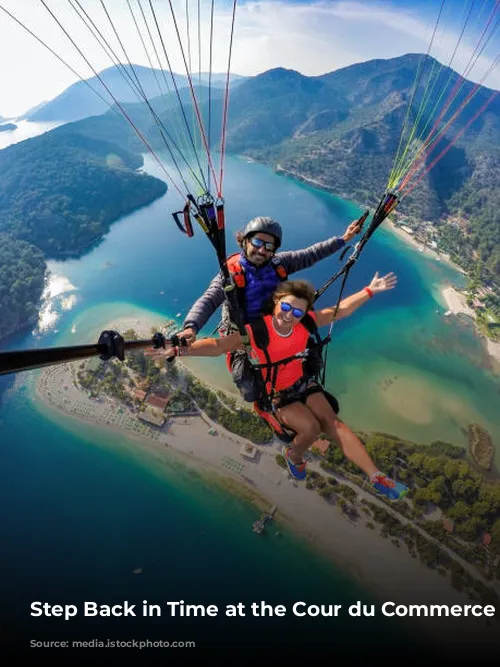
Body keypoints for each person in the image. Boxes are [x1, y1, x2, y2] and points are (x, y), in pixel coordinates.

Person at [164, 272, 408, 501]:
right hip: (277, 395)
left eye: (297, 312)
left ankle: (377, 477)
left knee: (333, 422)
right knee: (311, 428)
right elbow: (218, 346)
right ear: (276, 302)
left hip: (303, 382)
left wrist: (370, 290)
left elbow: (341, 310)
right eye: (286, 307)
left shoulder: (305, 324)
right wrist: (179, 349)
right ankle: (293, 456)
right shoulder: (257, 331)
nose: (290, 315)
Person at [177, 215, 364, 399]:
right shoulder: (230, 274)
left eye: (268, 246)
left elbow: (311, 254)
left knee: (312, 361)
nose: (261, 250)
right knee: (250, 388)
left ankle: (296, 386)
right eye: (257, 242)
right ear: (245, 241)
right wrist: (191, 327)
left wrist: (343, 239)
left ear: (274, 249)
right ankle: (269, 400)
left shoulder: (279, 263)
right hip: (245, 332)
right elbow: (209, 300)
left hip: (276, 325)